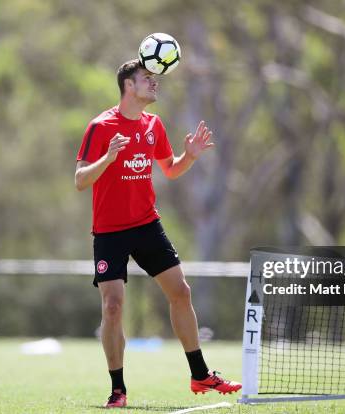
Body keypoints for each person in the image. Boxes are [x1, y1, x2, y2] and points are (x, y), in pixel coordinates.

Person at [74, 59, 241, 409]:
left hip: (147, 225)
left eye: (155, 79)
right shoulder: (101, 126)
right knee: (114, 306)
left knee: (181, 292)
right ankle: (118, 389)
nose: (155, 84)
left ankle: (200, 375)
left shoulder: (153, 124)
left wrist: (190, 157)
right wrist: (108, 157)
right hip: (110, 232)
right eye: (147, 79)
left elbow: (171, 169)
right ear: (128, 86)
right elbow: (80, 180)